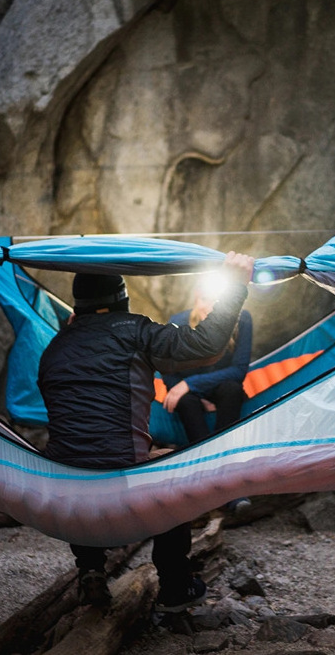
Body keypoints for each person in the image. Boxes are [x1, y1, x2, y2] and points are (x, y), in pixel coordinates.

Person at [37, 252, 255, 611]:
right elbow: (207, 346)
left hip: (63, 495)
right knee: (172, 467)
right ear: (121, 298)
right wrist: (235, 286)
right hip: (122, 487)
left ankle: (90, 568)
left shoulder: (55, 348)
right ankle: (175, 586)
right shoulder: (134, 331)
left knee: (80, 454)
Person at [162, 278, 253, 514]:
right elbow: (167, 370)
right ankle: (223, 486)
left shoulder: (242, 319)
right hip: (190, 397)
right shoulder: (178, 322)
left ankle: (220, 481)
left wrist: (190, 384)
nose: (209, 307)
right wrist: (188, 389)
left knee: (232, 389)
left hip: (221, 389)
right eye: (204, 299)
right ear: (196, 298)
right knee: (185, 400)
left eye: (217, 301)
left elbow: (239, 371)